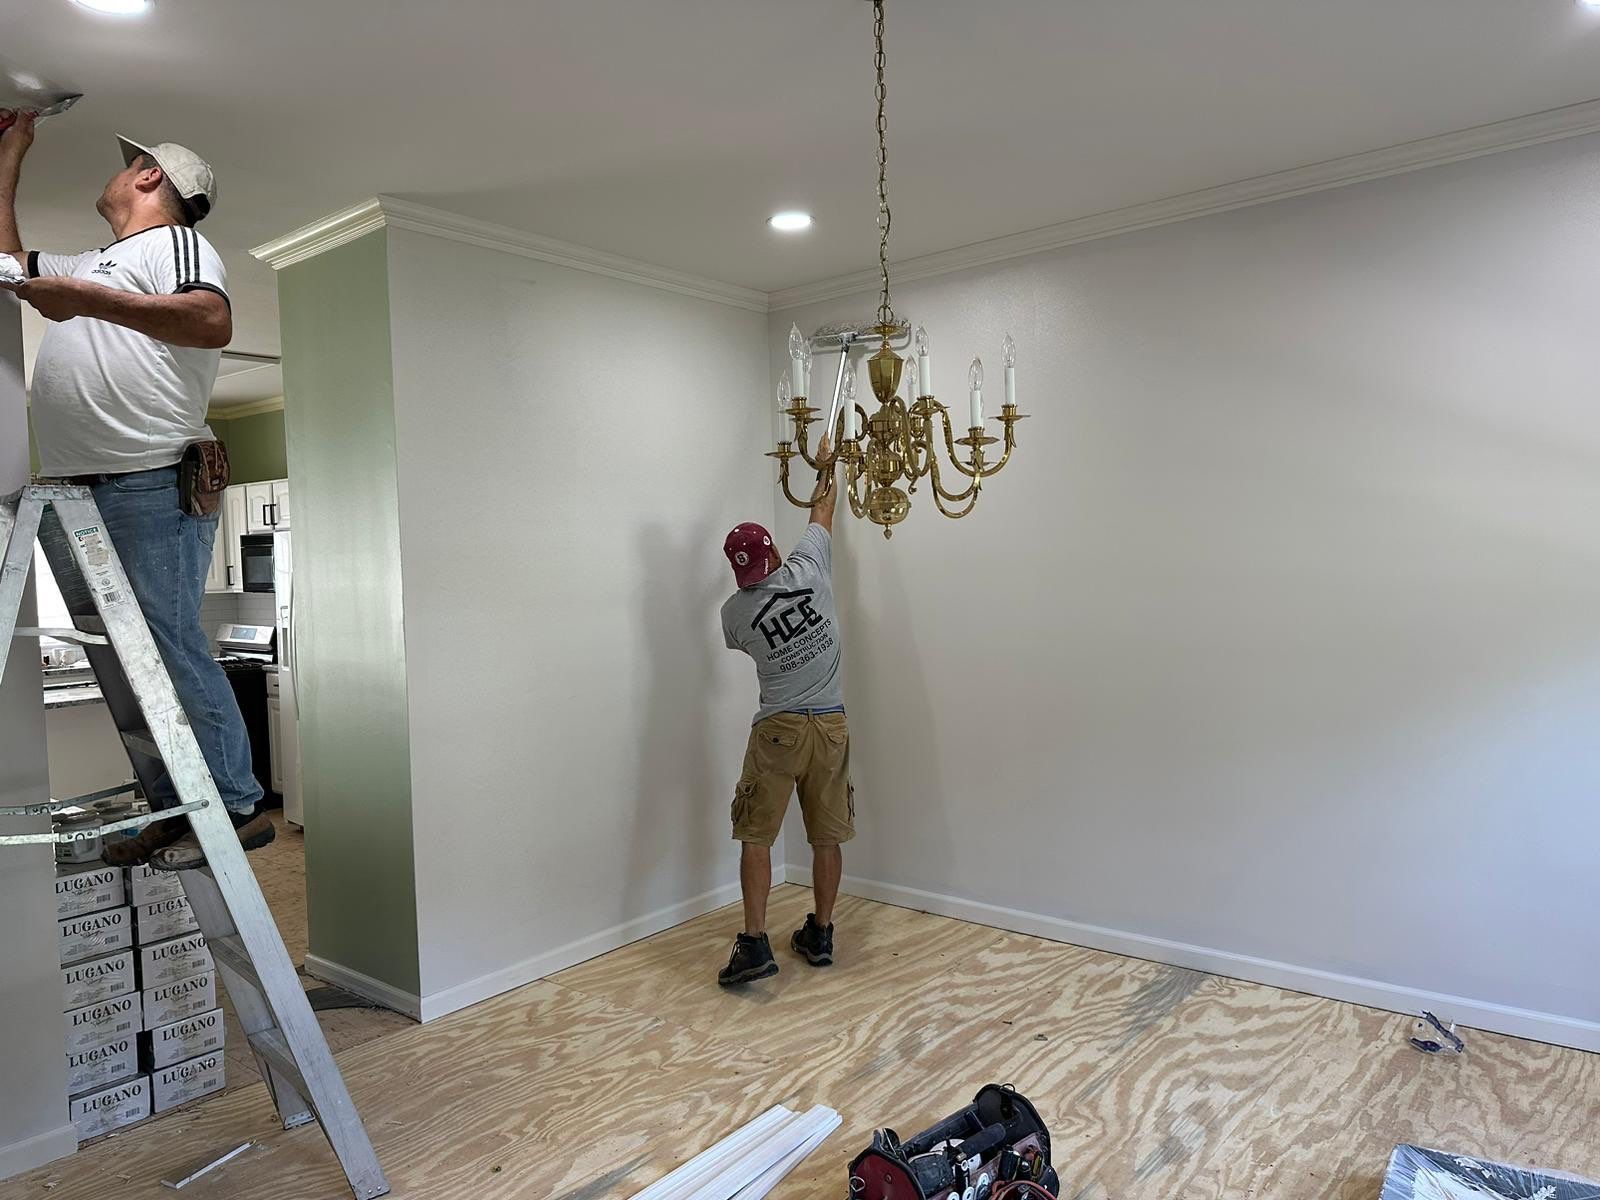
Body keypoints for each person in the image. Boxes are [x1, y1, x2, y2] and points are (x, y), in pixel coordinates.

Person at [0, 110, 274, 866]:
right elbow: (9, 263)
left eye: (129, 164)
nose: (116, 174)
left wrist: (84, 300)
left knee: (165, 644)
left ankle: (232, 804)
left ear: (151, 175)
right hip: (74, 492)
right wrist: (10, 155)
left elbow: (210, 319)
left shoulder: (175, 243)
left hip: (149, 479)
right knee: (118, 660)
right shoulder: (91, 261)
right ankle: (177, 805)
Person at [717, 437, 852, 986]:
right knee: (827, 836)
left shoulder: (735, 615)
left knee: (756, 836)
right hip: (832, 725)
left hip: (778, 731)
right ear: (773, 551)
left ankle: (754, 945)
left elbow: (743, 639)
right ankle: (820, 933)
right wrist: (826, 465)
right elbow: (825, 504)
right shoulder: (808, 568)